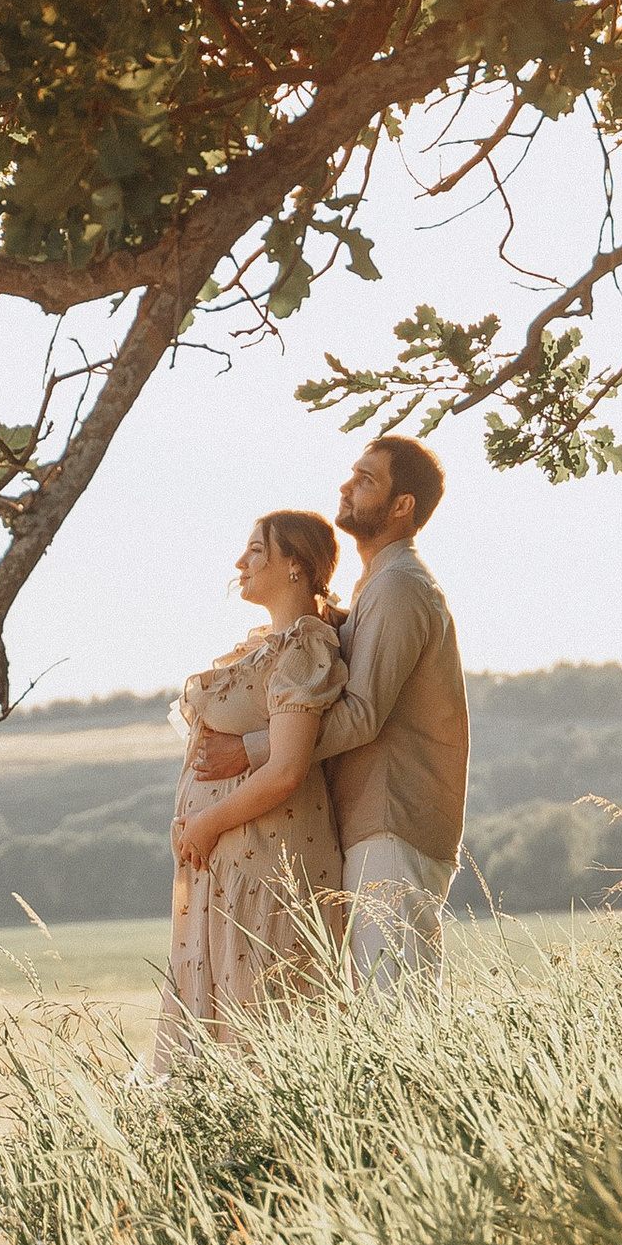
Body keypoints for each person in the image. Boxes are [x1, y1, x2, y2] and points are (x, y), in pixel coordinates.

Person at [188, 434, 467, 993]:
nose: (346, 486)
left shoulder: (398, 587)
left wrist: (251, 751)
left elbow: (361, 713)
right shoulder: (375, 587)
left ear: (403, 505)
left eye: (366, 480)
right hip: (369, 821)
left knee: (395, 1007)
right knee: (373, 1004)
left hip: (392, 821)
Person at [149, 507, 349, 1071]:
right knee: (217, 1040)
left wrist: (207, 822)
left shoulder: (302, 648)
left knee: (260, 1031)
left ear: (295, 565)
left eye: (257, 550)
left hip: (263, 867)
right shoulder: (265, 646)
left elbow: (286, 769)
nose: (241, 561)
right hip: (224, 868)